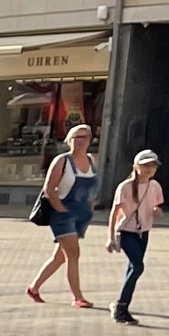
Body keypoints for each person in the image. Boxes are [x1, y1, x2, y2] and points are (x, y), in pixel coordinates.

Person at [25, 124, 98, 309]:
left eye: (84, 137)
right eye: (76, 138)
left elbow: (93, 187)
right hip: (63, 216)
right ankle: (78, 297)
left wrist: (91, 205)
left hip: (82, 216)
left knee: (60, 257)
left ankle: (34, 288)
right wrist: (60, 208)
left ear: (90, 140)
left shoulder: (92, 160)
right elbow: (49, 188)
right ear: (69, 140)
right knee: (74, 254)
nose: (80, 141)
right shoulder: (62, 161)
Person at [106, 149, 165, 325]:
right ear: (135, 167)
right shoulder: (125, 187)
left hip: (143, 232)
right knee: (138, 267)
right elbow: (114, 213)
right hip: (126, 231)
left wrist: (156, 212)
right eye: (145, 165)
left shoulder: (154, 186)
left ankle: (121, 305)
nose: (149, 169)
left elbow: (156, 208)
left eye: (152, 165)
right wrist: (110, 237)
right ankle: (121, 306)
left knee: (133, 268)